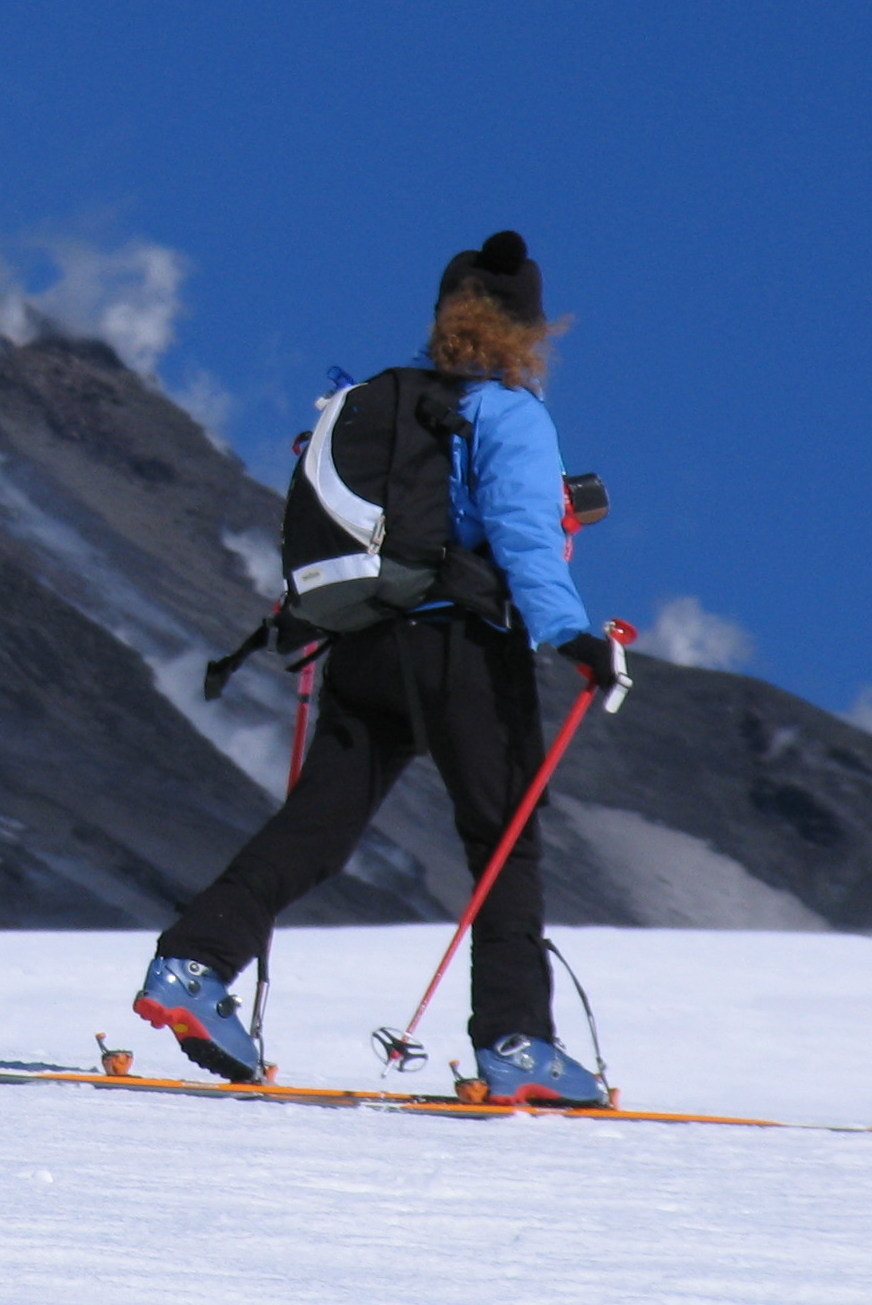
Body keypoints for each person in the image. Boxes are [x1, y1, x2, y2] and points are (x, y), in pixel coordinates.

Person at [135, 232, 622, 1105]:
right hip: (466, 649)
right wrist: (571, 635)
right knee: (504, 838)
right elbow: (523, 535)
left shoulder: (377, 402)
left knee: (318, 825)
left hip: (363, 640)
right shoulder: (508, 413)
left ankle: (189, 967)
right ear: (528, 332)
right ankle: (516, 1043)